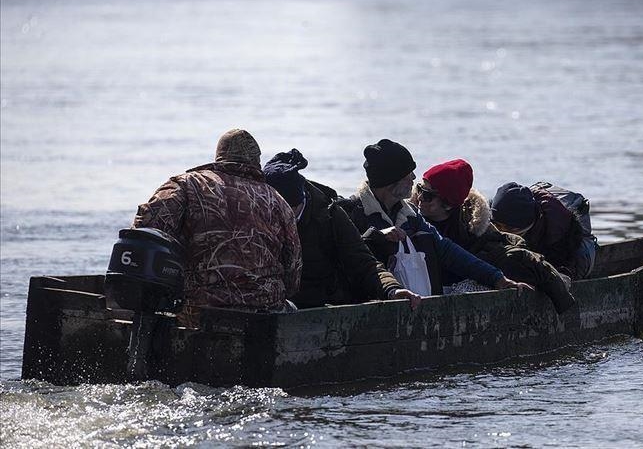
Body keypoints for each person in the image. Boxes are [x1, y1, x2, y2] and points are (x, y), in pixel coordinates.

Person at [132, 129, 302, 326]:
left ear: (220, 156)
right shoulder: (278, 201)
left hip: (198, 312)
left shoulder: (187, 185)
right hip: (264, 315)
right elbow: (293, 277)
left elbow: (143, 233)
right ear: (257, 162)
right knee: (293, 310)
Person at [336, 139, 532, 296]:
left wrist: (497, 278)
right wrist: (375, 237)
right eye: (407, 174)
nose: (414, 178)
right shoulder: (350, 214)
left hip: (417, 310)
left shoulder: (411, 217)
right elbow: (348, 260)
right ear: (390, 181)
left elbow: (449, 251)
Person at [262, 149, 421, 310]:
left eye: (288, 212)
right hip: (278, 305)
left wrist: (392, 290)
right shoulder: (258, 217)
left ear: (300, 202)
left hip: (325, 305)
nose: (282, 219)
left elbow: (364, 262)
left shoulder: (329, 213)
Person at [412, 159, 576, 314]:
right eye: (419, 189)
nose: (419, 198)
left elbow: (513, 259)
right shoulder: (410, 220)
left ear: (447, 204)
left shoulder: (473, 232)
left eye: (427, 195)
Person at [490, 181, 597, 280]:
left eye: (509, 228)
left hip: (572, 244)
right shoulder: (492, 215)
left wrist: (563, 275)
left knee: (576, 263)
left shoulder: (556, 226)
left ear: (527, 225)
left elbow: (565, 260)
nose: (502, 231)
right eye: (498, 226)